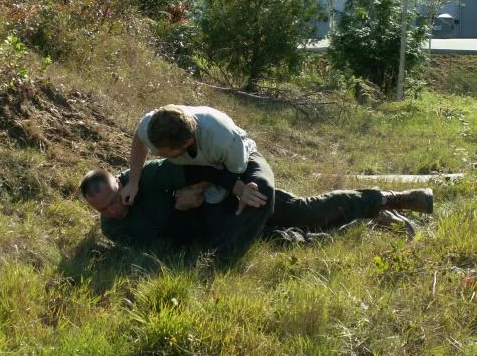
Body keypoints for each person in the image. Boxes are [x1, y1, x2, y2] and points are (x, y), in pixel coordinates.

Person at [80, 159, 433, 257]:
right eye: (103, 210)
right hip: (220, 231)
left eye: (114, 199)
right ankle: (372, 223)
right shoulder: (114, 229)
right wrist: (176, 205)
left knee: (303, 211)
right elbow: (160, 248)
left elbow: (207, 169)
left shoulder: (149, 175)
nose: (113, 210)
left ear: (121, 183)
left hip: (238, 198)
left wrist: (197, 190)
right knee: (292, 241)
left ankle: (389, 198)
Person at [121, 104, 271, 215]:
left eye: (163, 153)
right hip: (194, 167)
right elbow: (140, 138)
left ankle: (292, 208)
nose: (156, 153)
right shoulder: (151, 125)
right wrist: (133, 182)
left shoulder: (223, 140)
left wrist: (198, 186)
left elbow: (231, 174)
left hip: (235, 161)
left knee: (260, 192)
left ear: (186, 144)